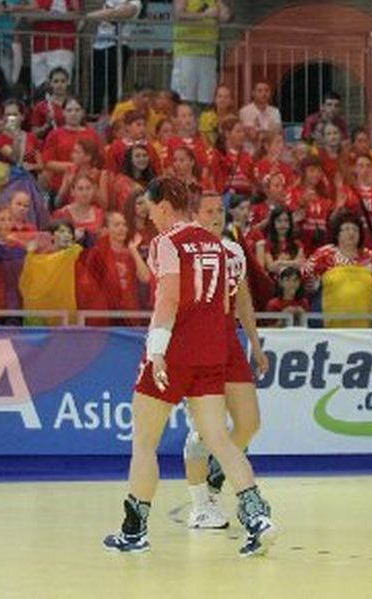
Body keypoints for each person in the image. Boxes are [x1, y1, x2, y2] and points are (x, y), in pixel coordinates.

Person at [103, 177, 277, 557]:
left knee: (144, 443)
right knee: (220, 439)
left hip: (175, 350)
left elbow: (167, 298)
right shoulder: (218, 245)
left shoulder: (167, 243)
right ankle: (257, 515)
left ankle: (134, 532)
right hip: (212, 352)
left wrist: (157, 350)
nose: (149, 219)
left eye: (149, 210)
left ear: (164, 205)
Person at [182, 192, 269, 529]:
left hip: (229, 341)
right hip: (198, 343)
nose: (216, 216)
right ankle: (200, 505)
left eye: (220, 210)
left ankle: (216, 475)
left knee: (249, 423)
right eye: (209, 211)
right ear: (195, 214)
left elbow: (243, 302)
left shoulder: (233, 250)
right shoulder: (185, 250)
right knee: (204, 430)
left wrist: (256, 345)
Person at [86, 0, 146, 114]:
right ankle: (93, 118)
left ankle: (114, 121)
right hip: (100, 44)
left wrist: (89, 16)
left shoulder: (136, 4)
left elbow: (115, 14)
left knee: (113, 89)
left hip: (117, 48)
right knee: (95, 87)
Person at [170, 0, 230, 105]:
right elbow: (179, 14)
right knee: (185, 96)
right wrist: (203, 15)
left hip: (208, 53)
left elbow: (225, 15)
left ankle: (204, 123)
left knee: (207, 97)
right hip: (186, 53)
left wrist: (223, 12)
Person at [30, 0, 79, 89]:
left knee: (59, 88)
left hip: (60, 45)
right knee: (40, 88)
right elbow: (29, 17)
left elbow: (76, 13)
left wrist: (50, 15)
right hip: (39, 46)